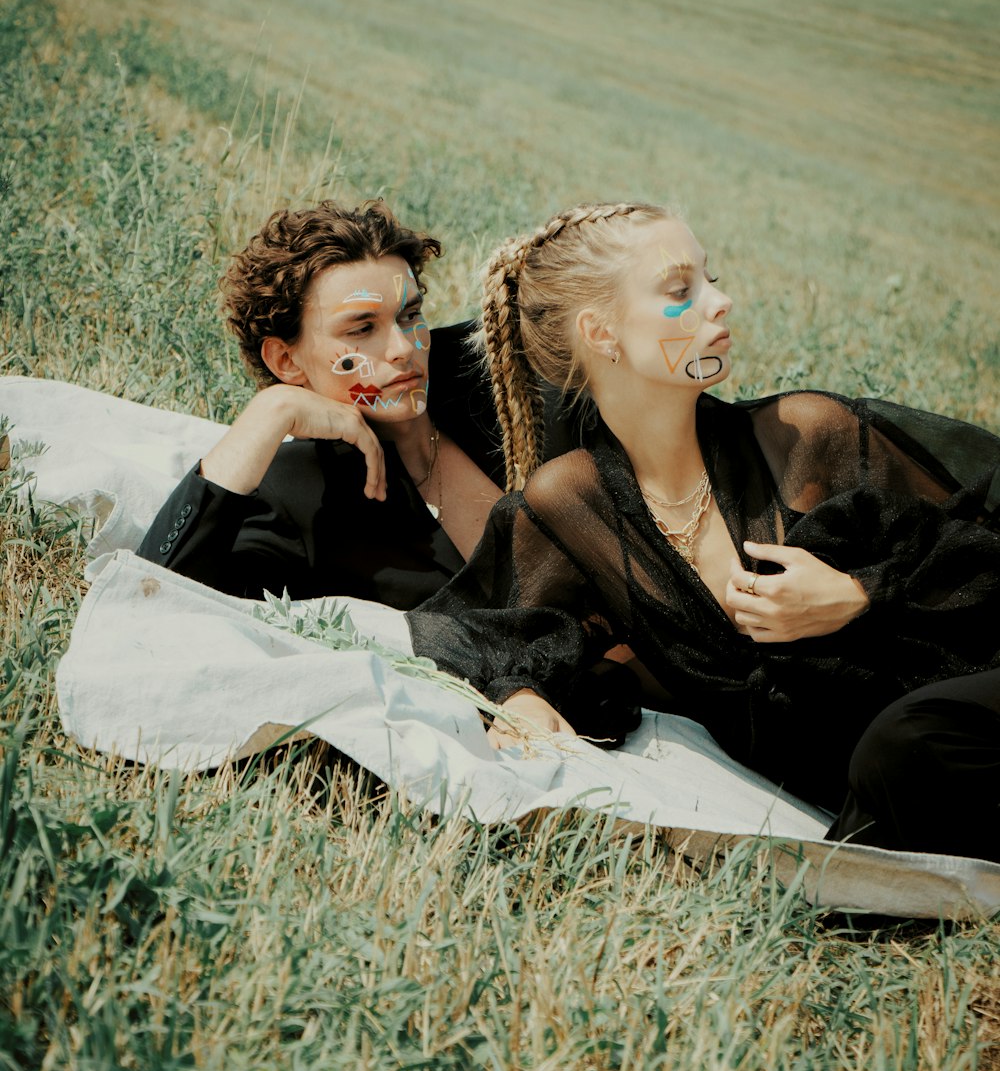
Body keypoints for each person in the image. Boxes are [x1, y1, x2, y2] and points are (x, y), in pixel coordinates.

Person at [409, 202, 1000, 860]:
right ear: (601, 334)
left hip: (962, 717)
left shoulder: (805, 437)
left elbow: (983, 556)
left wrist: (861, 595)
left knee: (910, 743)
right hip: (867, 790)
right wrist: (517, 694)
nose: (721, 302)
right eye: (680, 290)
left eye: (709, 279)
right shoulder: (572, 502)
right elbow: (478, 628)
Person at [138, 199, 626, 742]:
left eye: (410, 316)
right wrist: (269, 413)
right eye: (361, 329)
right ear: (286, 361)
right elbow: (150, 603)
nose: (402, 349)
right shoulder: (299, 491)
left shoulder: (491, 377)